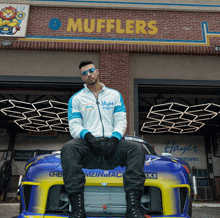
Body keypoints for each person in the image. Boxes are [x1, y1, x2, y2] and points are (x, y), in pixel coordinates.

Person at [61, 60, 146, 218]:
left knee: (136, 148)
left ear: (98, 71)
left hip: (113, 148)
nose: (89, 74)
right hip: (89, 148)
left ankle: (133, 209)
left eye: (91, 70)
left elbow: (121, 120)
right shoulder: (76, 99)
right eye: (84, 73)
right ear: (82, 78)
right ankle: (78, 210)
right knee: (69, 148)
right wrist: (89, 137)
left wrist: (115, 139)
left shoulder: (114, 95)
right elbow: (74, 125)